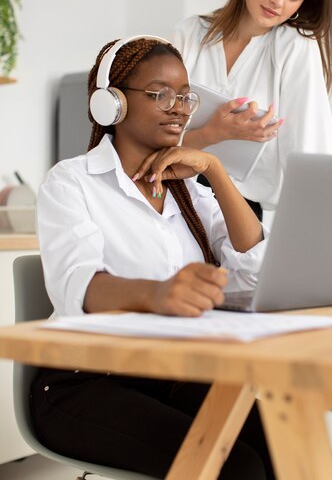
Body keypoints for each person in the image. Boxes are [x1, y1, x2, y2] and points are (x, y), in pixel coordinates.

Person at [30, 35, 276, 480]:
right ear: (111, 104)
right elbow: (76, 287)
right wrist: (158, 294)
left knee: (281, 442)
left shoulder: (189, 192)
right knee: (237, 468)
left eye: (185, 96)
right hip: (84, 381)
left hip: (169, 374)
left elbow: (256, 276)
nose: (180, 108)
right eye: (161, 94)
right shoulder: (72, 183)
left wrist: (214, 171)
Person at [173, 0, 332, 220]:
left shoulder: (295, 47)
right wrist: (214, 133)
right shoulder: (189, 34)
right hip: (172, 198)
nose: (279, 1)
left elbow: (312, 156)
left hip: (238, 213)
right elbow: (150, 139)